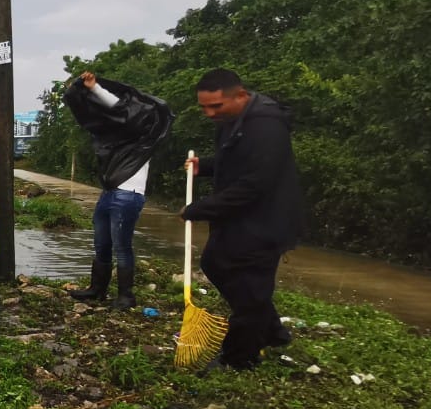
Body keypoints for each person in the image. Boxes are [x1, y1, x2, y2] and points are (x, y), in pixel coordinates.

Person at [183, 68, 302, 370]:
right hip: (238, 219)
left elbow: (256, 183)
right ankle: (273, 330)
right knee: (214, 262)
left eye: (216, 106)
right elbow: (232, 162)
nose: (209, 113)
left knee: (251, 288)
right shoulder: (232, 120)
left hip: (264, 221)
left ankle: (239, 357)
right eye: (204, 107)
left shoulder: (266, 126)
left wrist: (203, 208)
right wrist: (205, 166)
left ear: (240, 95)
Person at [63, 71, 174, 309]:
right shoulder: (119, 136)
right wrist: (93, 89)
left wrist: (95, 90)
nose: (129, 115)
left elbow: (122, 110)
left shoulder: (144, 137)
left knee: (122, 245)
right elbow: (116, 110)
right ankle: (97, 290)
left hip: (129, 195)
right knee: (101, 243)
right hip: (109, 193)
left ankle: (126, 296)